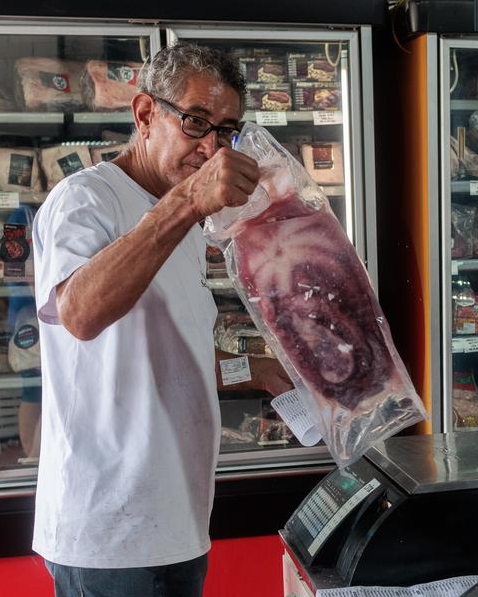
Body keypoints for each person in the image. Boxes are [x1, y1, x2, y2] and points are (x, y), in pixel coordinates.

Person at [31, 42, 292, 596]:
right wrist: (188, 204)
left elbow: (177, 352)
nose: (212, 147)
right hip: (109, 534)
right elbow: (78, 314)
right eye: (196, 122)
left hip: (176, 523)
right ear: (145, 113)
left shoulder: (186, 224)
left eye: (226, 130)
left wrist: (262, 369)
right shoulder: (86, 201)